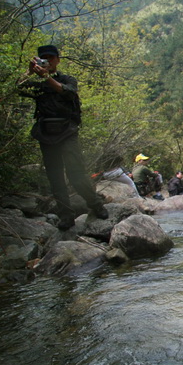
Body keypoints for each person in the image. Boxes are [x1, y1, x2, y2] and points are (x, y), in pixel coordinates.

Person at [17, 44, 109, 230]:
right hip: (46, 134)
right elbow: (18, 88)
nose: (48, 61)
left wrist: (47, 77)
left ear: (58, 60)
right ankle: (66, 216)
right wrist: (28, 72)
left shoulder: (67, 79)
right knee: (55, 177)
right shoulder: (39, 86)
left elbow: (67, 91)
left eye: (51, 58)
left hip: (67, 132)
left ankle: (96, 205)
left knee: (76, 173)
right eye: (44, 59)